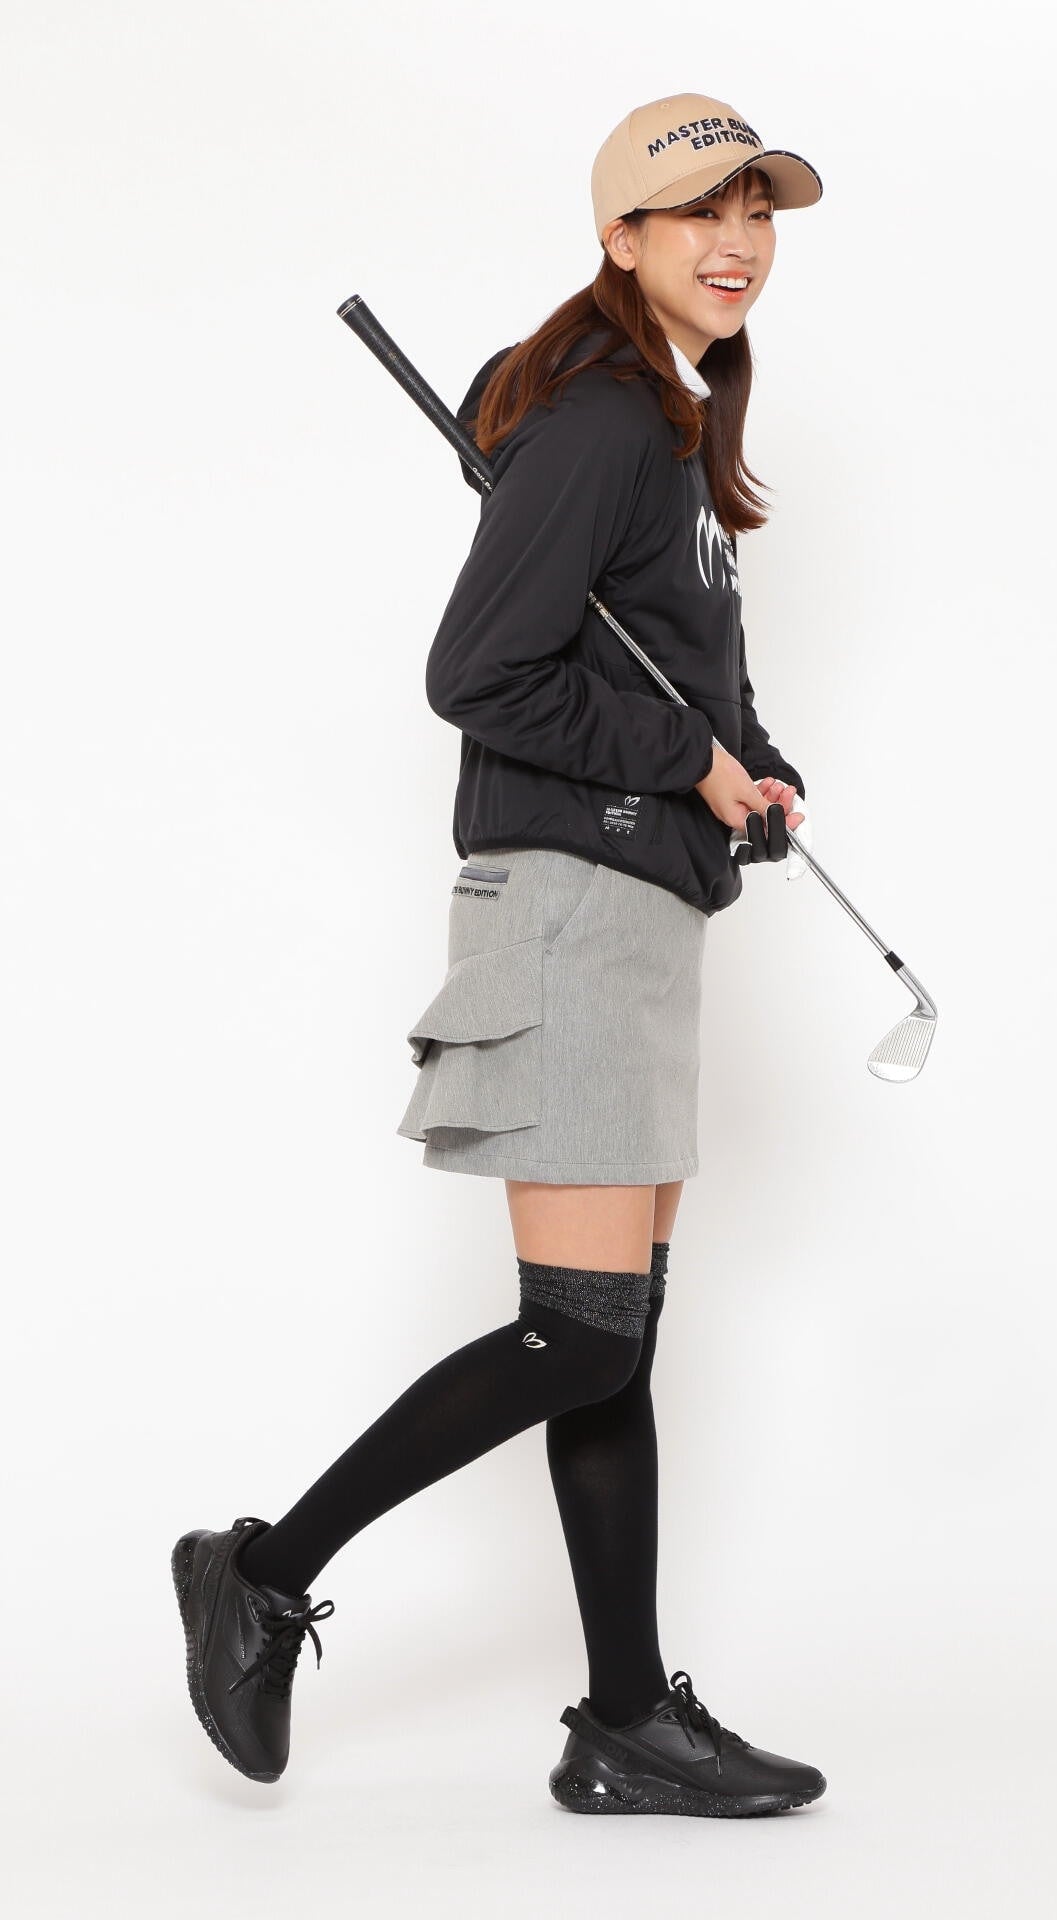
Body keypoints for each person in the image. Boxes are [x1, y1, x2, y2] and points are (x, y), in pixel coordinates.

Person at [172, 90, 828, 1818]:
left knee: (611, 1332)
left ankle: (623, 1723)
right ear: (621, 236)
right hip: (569, 906)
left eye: (758, 212)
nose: (738, 242)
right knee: (585, 1336)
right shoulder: (605, 420)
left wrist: (751, 765)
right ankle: (261, 1571)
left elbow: (679, 670)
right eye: (700, 212)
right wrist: (688, 759)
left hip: (641, 909)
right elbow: (481, 672)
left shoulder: (673, 433)